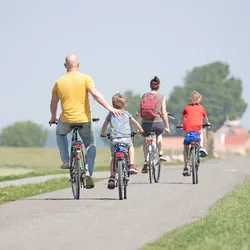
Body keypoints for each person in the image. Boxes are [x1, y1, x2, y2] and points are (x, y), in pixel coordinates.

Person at [49, 53, 121, 189]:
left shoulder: (59, 82)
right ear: (78, 64)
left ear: (65, 66)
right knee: (91, 145)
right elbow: (95, 94)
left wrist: (53, 116)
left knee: (60, 133)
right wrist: (109, 108)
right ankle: (88, 171)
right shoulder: (85, 78)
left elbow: (53, 102)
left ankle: (65, 161)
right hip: (84, 120)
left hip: (66, 120)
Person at [101, 93, 144, 189]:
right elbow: (136, 123)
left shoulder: (111, 114)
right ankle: (132, 165)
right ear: (124, 105)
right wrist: (140, 130)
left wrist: (103, 133)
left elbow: (104, 126)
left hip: (114, 139)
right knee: (130, 146)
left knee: (113, 157)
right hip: (126, 138)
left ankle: (112, 177)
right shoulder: (126, 114)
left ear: (113, 105)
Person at [137, 76, 170, 174]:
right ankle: (160, 153)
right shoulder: (162, 97)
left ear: (150, 86)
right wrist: (167, 126)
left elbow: (139, 111)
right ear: (158, 86)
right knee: (159, 135)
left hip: (146, 124)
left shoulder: (144, 95)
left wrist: (138, 114)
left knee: (145, 139)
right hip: (158, 123)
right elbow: (163, 113)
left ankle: (146, 160)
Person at [177, 90, 210, 176]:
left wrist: (179, 124)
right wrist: (207, 123)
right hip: (197, 128)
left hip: (187, 128)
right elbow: (205, 118)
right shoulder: (201, 108)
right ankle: (201, 147)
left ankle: (185, 167)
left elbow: (181, 117)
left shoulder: (186, 107)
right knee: (200, 132)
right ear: (199, 99)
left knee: (185, 147)